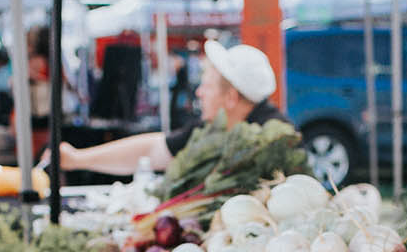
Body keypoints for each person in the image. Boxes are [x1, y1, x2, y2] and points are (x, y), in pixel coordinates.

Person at [55, 40, 289, 176]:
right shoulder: (213, 129)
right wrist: (77, 159)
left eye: (207, 85)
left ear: (231, 97)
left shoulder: (277, 140)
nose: (199, 92)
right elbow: (153, 151)